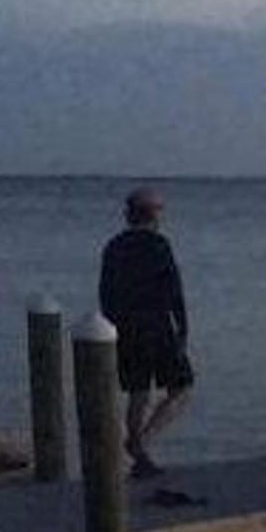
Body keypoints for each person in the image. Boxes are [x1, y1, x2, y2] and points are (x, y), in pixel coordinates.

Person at [98, 187, 192, 480]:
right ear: (153, 215)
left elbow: (105, 293)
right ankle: (141, 442)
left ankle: (137, 449)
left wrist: (112, 325)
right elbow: (173, 291)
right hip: (156, 325)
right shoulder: (158, 245)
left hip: (125, 327)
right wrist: (183, 328)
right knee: (181, 387)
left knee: (138, 391)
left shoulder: (114, 246)